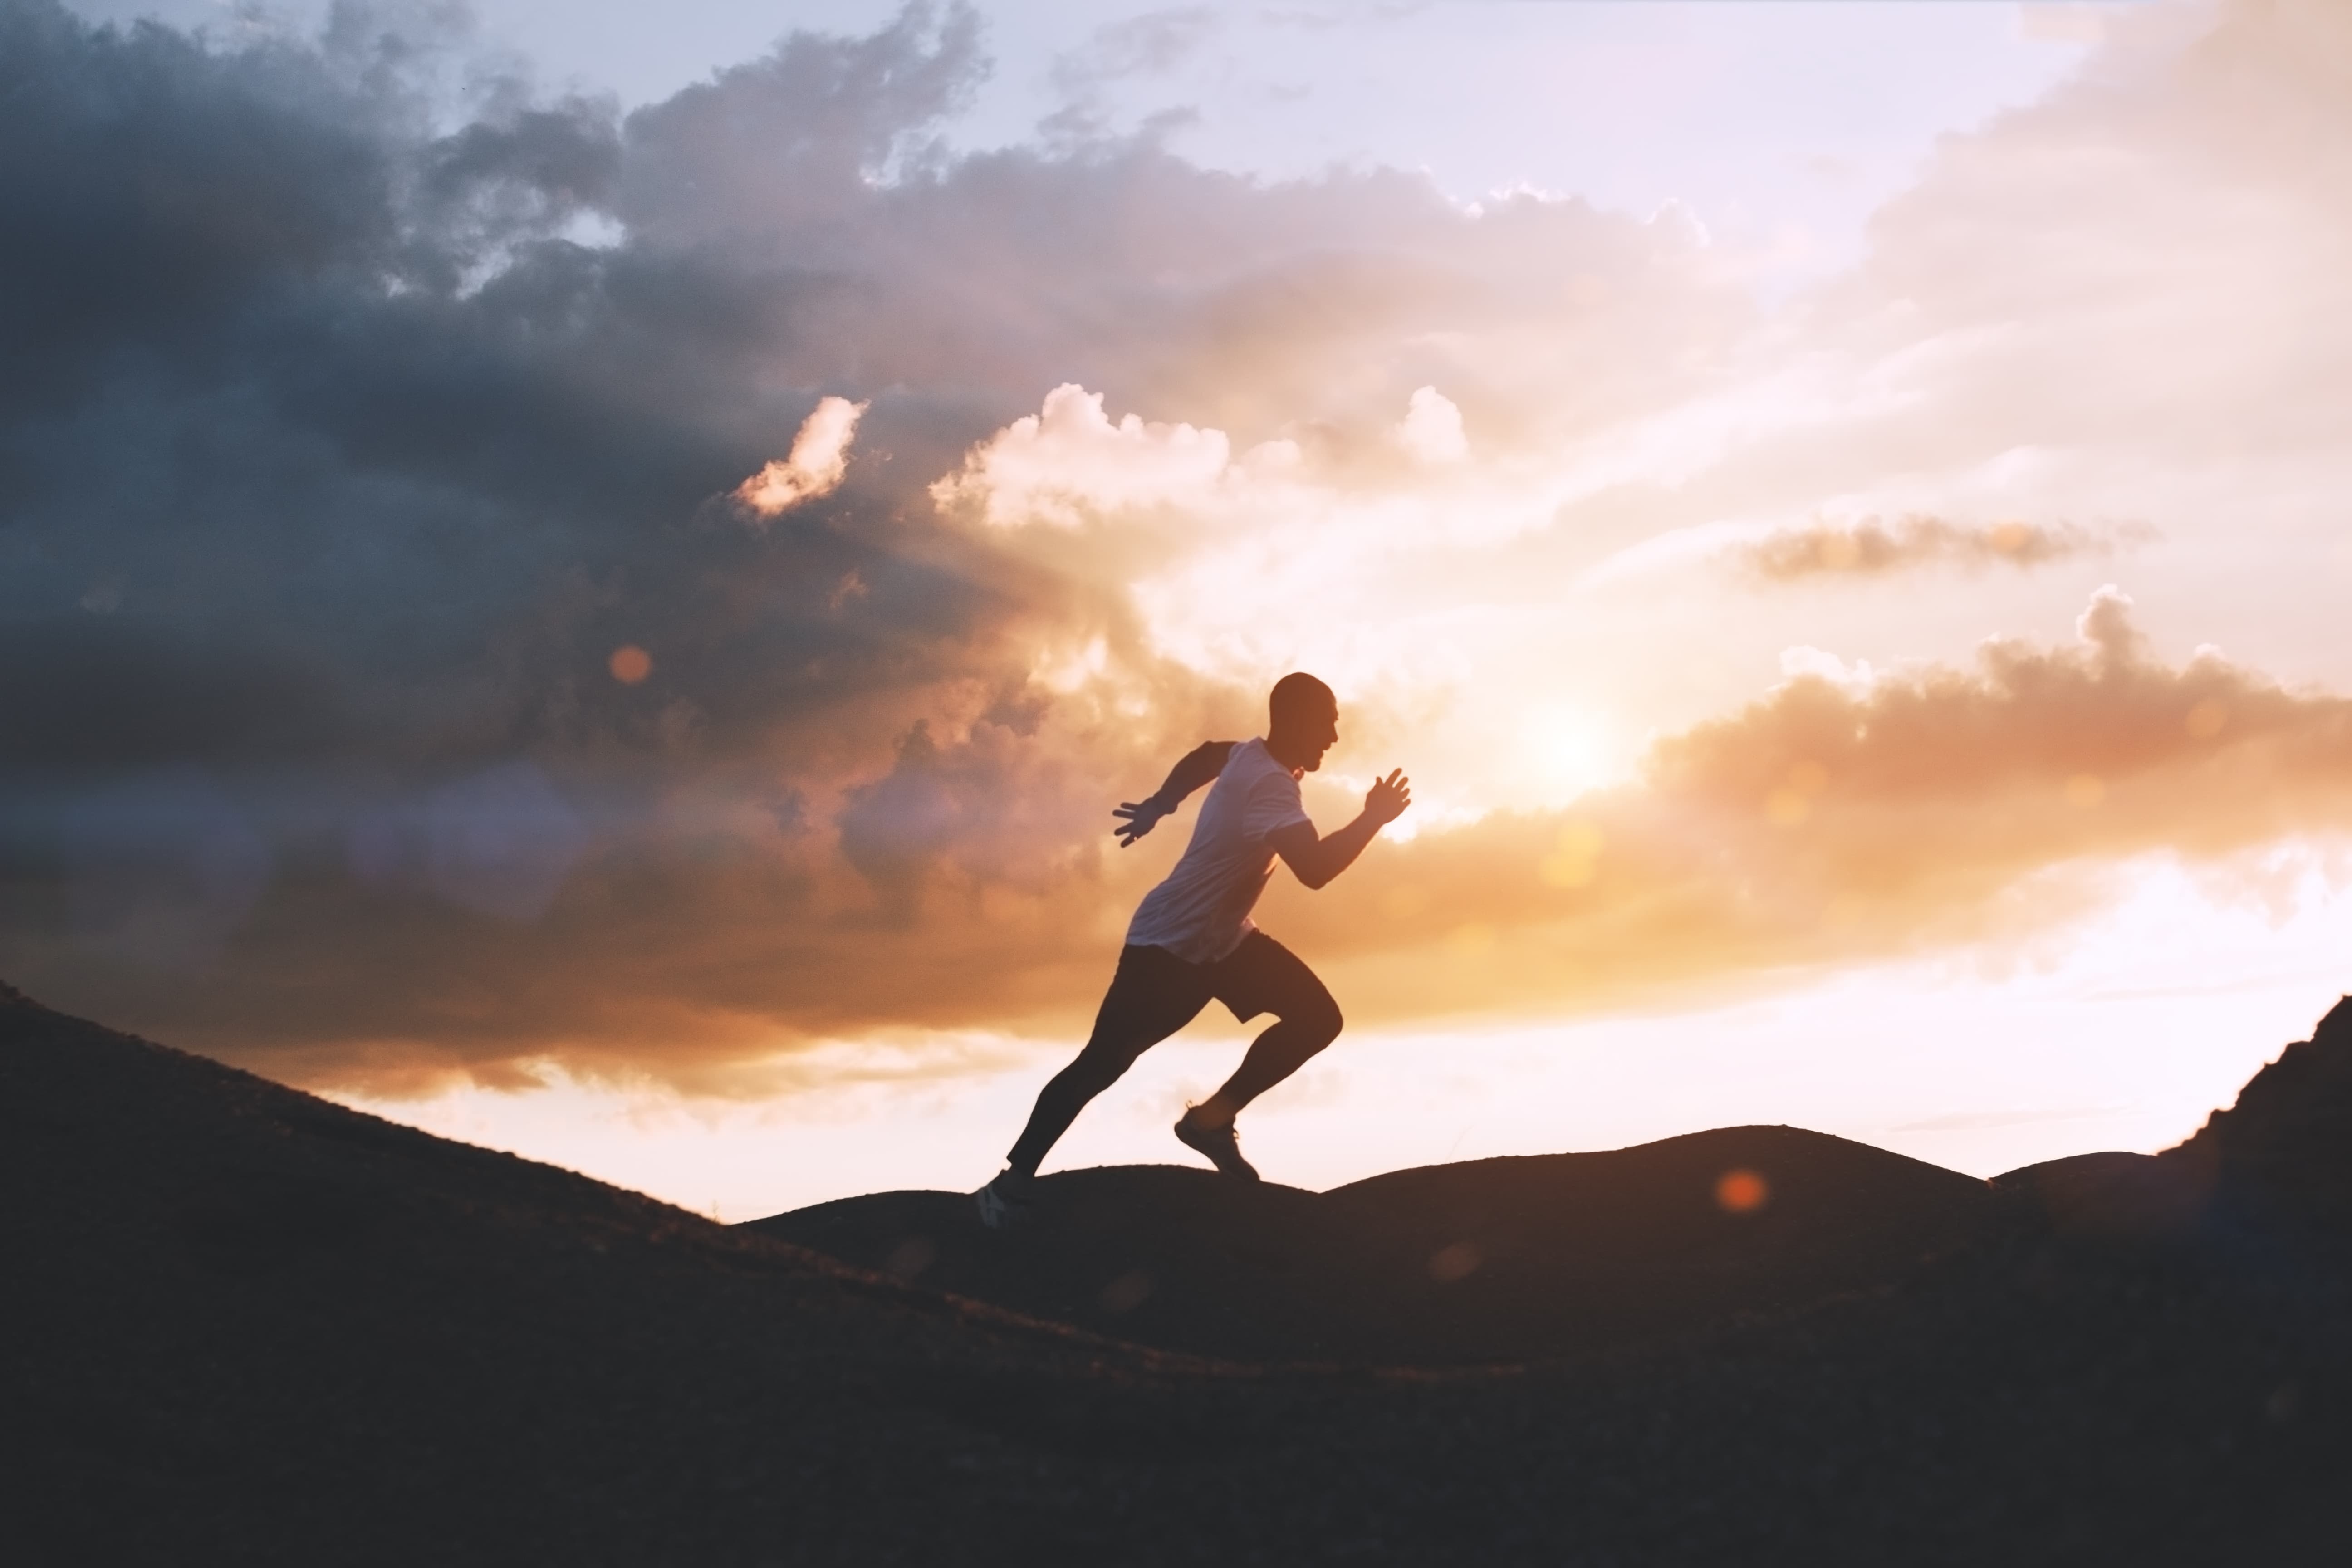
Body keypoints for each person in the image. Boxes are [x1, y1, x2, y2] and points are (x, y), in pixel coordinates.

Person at [975, 672, 1410, 1229]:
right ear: (1297, 721)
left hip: (1226, 941)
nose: (1333, 738)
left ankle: (1209, 1123)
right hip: (1168, 946)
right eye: (1327, 725)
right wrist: (1373, 818)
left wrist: (1162, 803)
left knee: (1317, 1019)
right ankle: (1008, 1186)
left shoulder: (1251, 756)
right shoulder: (1271, 784)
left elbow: (1207, 755)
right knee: (1104, 1063)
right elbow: (1316, 871)